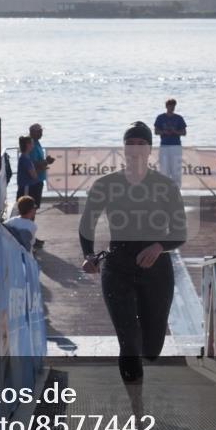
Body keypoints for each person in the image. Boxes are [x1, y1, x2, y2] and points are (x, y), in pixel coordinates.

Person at [80, 121, 187, 385]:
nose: (136, 149)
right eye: (131, 143)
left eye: (141, 143)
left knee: (151, 348)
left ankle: (144, 363)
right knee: (129, 342)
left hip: (156, 270)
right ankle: (136, 409)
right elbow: (87, 224)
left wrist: (159, 245)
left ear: (149, 149)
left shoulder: (165, 185)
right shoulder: (106, 184)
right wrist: (89, 255)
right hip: (118, 267)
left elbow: (180, 232)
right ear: (124, 148)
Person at [28, 123, 55, 248]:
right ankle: (30, 237)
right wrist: (46, 161)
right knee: (31, 211)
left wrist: (45, 162)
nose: (41, 133)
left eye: (41, 131)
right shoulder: (32, 145)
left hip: (38, 181)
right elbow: (34, 165)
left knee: (33, 210)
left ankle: (31, 236)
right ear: (32, 132)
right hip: (34, 182)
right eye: (39, 131)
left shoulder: (37, 143)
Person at [153, 99, 186, 188]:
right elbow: (156, 131)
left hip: (176, 146)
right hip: (164, 146)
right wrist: (164, 132)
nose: (172, 108)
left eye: (173, 106)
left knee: (176, 170)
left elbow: (184, 132)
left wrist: (175, 131)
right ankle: (164, 190)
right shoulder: (160, 117)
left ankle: (177, 190)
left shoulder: (179, 118)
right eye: (170, 106)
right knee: (164, 170)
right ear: (166, 106)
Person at [16, 135, 39, 203]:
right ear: (28, 145)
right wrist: (37, 172)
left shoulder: (25, 157)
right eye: (32, 143)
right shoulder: (25, 159)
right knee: (26, 206)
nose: (33, 145)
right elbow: (33, 175)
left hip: (27, 186)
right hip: (26, 187)